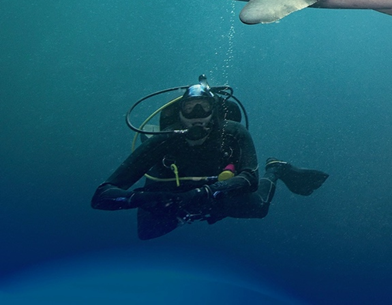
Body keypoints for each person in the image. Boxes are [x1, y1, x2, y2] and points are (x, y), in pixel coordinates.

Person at [92, 78, 328, 240]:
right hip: (169, 196)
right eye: (190, 109)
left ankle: (275, 169)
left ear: (214, 112)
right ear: (179, 114)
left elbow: (249, 179)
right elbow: (102, 196)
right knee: (147, 232)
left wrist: (206, 193)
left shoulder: (233, 133)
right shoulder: (162, 141)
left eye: (203, 109)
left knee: (259, 208)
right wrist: (147, 199)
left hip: (215, 192)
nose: (197, 117)